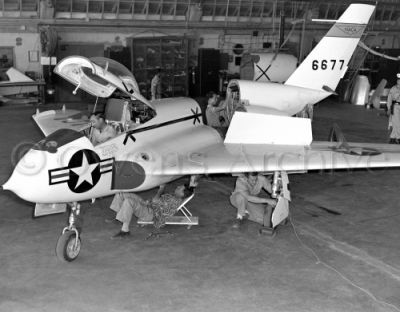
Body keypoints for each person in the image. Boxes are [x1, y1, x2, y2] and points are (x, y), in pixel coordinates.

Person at [109, 184, 194, 238]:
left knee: (128, 201)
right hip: (149, 206)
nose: (177, 187)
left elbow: (155, 200)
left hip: (151, 214)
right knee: (120, 194)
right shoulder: (174, 196)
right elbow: (157, 201)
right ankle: (119, 218)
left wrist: (161, 189)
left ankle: (125, 230)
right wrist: (147, 202)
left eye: (179, 188)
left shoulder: (174, 200)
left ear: (182, 194)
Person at [387, 73, 400, 144]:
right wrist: (389, 108)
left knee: (398, 123)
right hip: (396, 107)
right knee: (396, 123)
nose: (399, 81)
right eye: (398, 80)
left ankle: (392, 138)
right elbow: (390, 99)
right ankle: (398, 138)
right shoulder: (393, 88)